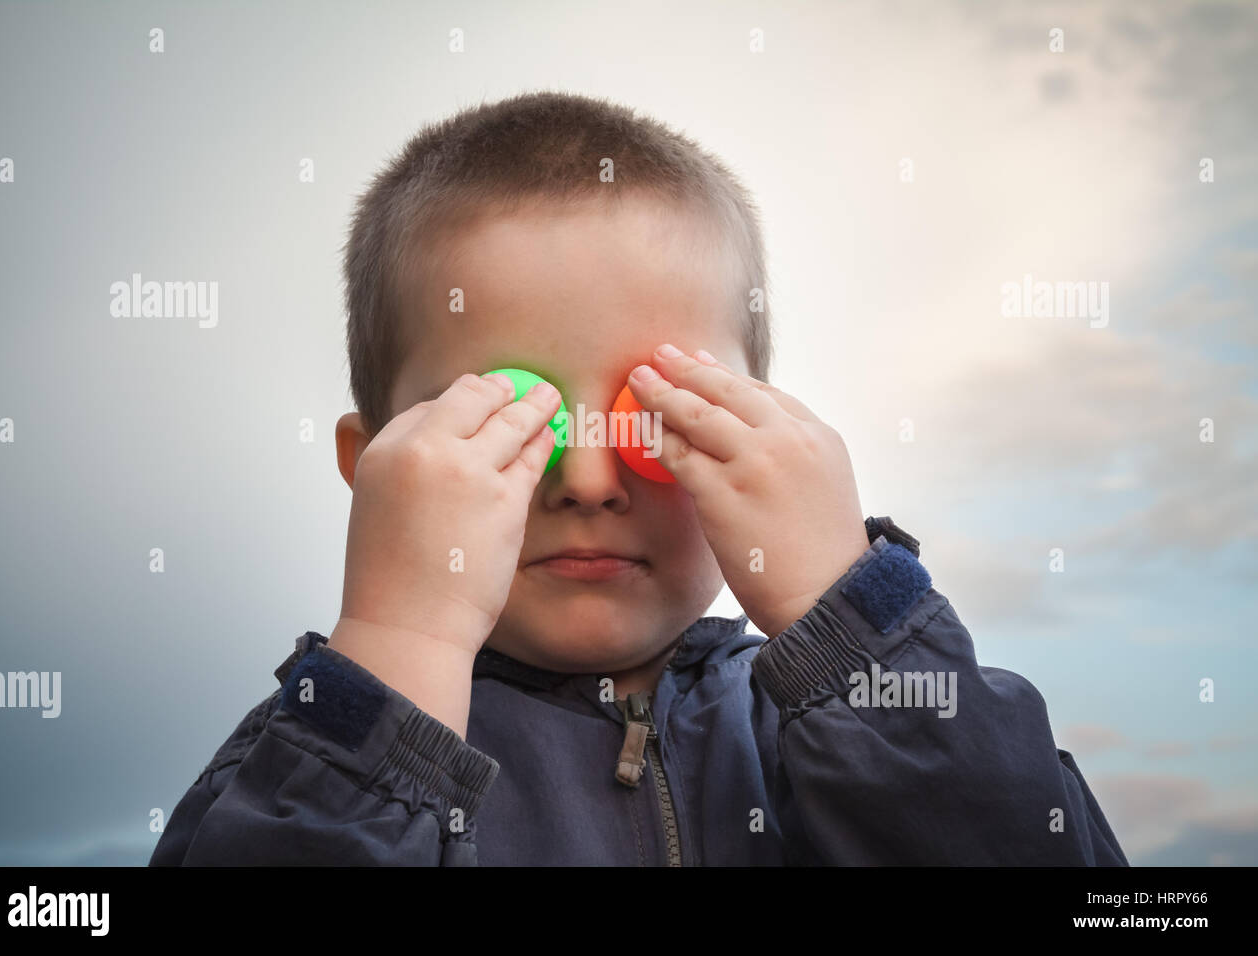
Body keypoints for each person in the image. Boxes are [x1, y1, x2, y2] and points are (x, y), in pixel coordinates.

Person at [150, 91, 1127, 866]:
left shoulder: (814, 728)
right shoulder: (297, 762)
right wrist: (395, 656)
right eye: (504, 419)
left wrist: (850, 623)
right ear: (374, 473)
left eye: (653, 416)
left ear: (764, 441)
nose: (584, 477)